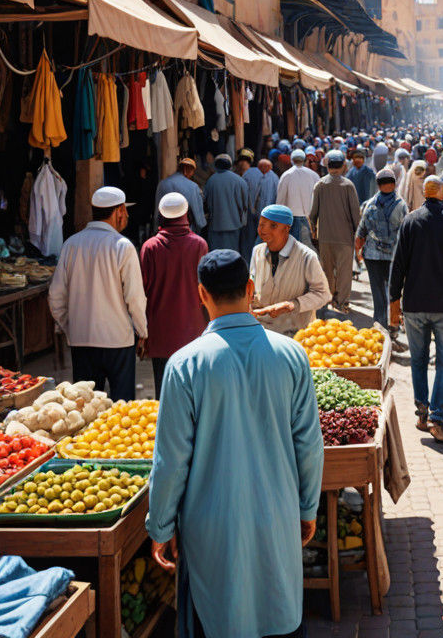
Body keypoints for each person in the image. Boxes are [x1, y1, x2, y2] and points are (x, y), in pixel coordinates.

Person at [147, 249, 324, 638]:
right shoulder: (292, 355)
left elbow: (171, 460)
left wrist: (160, 525)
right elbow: (309, 443)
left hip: (210, 530)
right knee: (277, 615)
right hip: (277, 516)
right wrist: (307, 507)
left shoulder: (184, 364)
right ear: (250, 288)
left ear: (201, 294)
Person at [389, 175, 443, 443]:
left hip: (414, 304)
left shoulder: (410, 220)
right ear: (442, 193)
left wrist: (394, 301)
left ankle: (422, 413)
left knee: (419, 360)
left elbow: (398, 263)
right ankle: (437, 418)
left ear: (424, 193)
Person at [48, 186, 148, 401]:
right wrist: (142, 331)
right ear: (119, 211)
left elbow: (55, 296)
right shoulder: (123, 246)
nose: (128, 215)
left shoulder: (71, 244)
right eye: (125, 210)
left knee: (86, 410)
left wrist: (71, 326)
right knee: (122, 409)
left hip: (82, 341)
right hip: (117, 341)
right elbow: (135, 298)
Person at [140, 193, 208, 398]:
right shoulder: (199, 245)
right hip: (193, 329)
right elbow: (205, 288)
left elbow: (142, 291)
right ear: (186, 214)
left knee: (164, 390)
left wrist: (141, 333)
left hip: (160, 332)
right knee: (194, 391)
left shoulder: (150, 247)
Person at [250, 204, 332, 335]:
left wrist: (292, 305)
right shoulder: (257, 251)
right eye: (261, 225)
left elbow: (323, 294)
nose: (264, 230)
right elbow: (253, 283)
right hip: (262, 329)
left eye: (273, 226)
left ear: (287, 228)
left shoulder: (307, 256)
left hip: (295, 332)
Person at [356, 169, 408, 336]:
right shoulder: (401, 205)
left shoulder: (369, 204)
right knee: (394, 291)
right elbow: (407, 232)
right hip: (395, 256)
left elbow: (361, 231)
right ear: (393, 184)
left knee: (378, 292)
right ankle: (393, 325)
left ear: (378, 185)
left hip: (372, 256)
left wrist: (358, 250)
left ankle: (380, 326)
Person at [309, 150, 361, 313]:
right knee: (345, 272)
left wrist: (314, 233)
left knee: (327, 270)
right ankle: (342, 302)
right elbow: (355, 213)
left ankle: (328, 299)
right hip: (345, 236)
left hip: (325, 237)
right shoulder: (348, 185)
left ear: (328, 166)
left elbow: (313, 214)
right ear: (343, 166)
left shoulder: (320, 184)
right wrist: (358, 234)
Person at [203, 154, 249, 254]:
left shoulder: (210, 181)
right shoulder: (239, 181)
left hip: (215, 226)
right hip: (234, 225)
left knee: (216, 256)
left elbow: (204, 202)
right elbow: (245, 204)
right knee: (232, 256)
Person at [277, 148, 321, 247]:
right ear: (305, 160)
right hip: (310, 217)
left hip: (291, 217)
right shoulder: (313, 175)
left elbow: (280, 199)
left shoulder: (286, 175)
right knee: (309, 247)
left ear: (292, 160)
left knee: (293, 247)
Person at [155, 158, 206, 234]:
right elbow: (199, 218)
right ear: (186, 170)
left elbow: (157, 211)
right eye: (192, 171)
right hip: (184, 231)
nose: (191, 174)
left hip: (165, 230)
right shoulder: (192, 186)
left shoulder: (162, 184)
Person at [236, 149, 261, 262]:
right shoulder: (257, 173)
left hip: (249, 214)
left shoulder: (246, 176)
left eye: (244, 161)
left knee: (249, 242)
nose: (242, 164)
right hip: (254, 213)